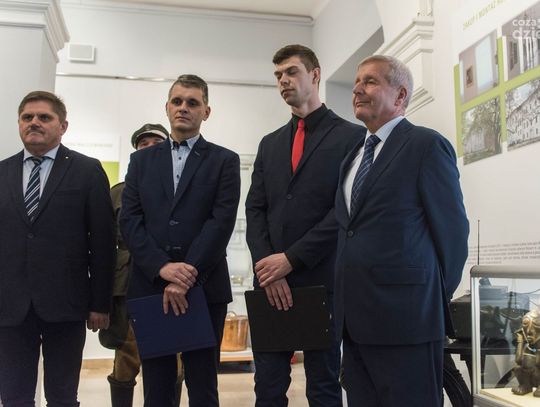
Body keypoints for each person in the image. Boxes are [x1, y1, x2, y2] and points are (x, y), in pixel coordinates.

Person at [334, 55, 469, 406]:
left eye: (370, 81)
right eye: (357, 81)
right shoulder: (352, 157)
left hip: (408, 322)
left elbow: (453, 236)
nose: (357, 89)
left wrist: (428, 300)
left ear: (400, 95)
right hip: (354, 323)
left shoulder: (426, 146)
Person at [245, 44, 363, 407]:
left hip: (322, 280)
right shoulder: (269, 144)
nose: (283, 80)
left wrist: (291, 259)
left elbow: (344, 210)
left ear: (315, 75)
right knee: (267, 388)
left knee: (324, 387)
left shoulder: (351, 137)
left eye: (291, 72)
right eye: (278, 75)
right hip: (270, 284)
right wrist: (269, 269)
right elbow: (255, 209)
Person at [119, 74, 241, 407]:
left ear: (206, 111)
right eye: (177, 101)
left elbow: (221, 222)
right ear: (167, 107)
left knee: (203, 387)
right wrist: (162, 267)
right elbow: (130, 220)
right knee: (156, 388)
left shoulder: (224, 160)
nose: (183, 108)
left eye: (192, 102)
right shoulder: (141, 161)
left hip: (203, 286)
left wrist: (186, 273)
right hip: (151, 286)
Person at [0, 90, 116, 406]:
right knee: (13, 396)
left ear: (63, 126)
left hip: (67, 303)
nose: (34, 122)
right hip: (10, 307)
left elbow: (103, 242)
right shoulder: (2, 172)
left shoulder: (87, 171)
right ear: (19, 123)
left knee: (62, 396)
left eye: (44, 117)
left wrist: (100, 303)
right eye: (27, 117)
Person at [99, 123, 184, 407]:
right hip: (126, 282)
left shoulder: (180, 186)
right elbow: (103, 242)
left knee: (173, 355)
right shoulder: (118, 192)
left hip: (169, 280)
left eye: (156, 143)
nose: (148, 148)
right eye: (143, 144)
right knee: (126, 354)